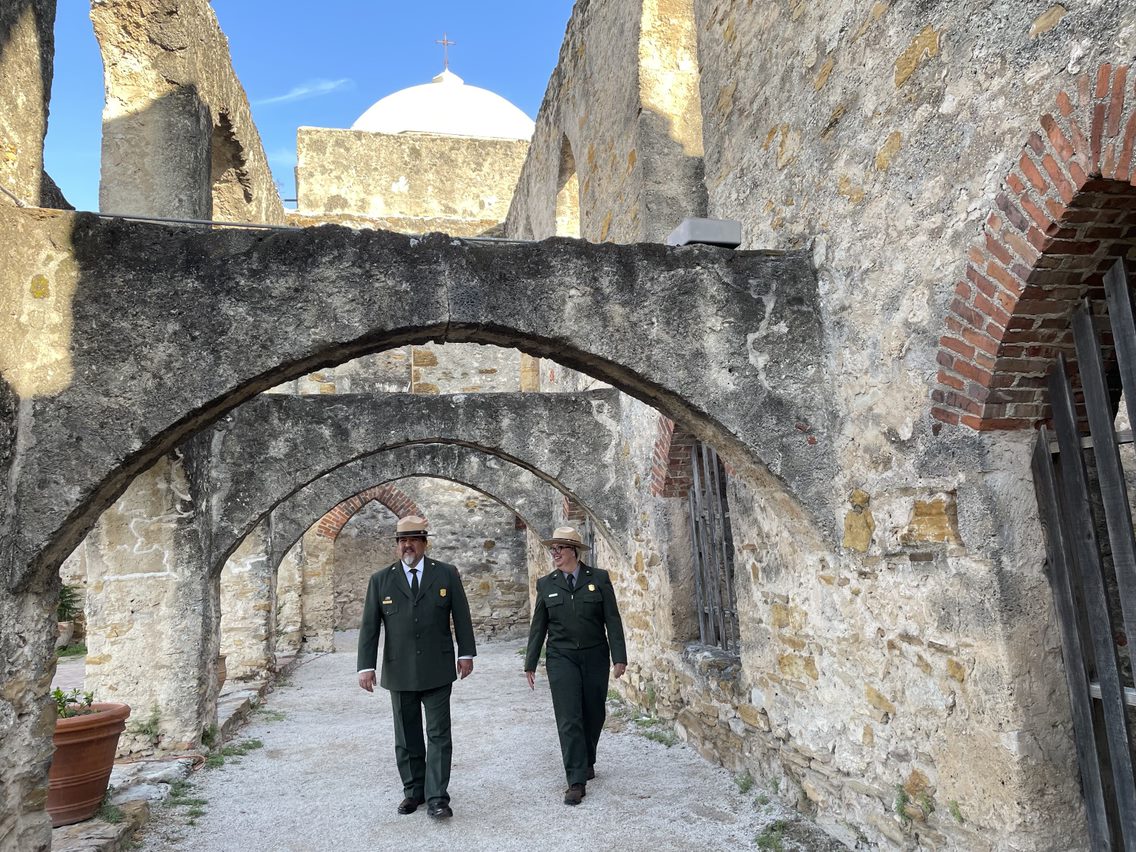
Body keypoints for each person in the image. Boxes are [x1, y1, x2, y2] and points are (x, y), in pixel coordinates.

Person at [357, 515, 476, 819]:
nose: (407, 545)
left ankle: (438, 798)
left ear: (424, 542)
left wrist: (466, 654)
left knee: (438, 735)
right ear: (397, 545)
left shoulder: (446, 574)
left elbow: (461, 616)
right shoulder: (381, 579)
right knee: (407, 736)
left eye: (412, 539)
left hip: (437, 667)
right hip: (398, 671)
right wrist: (365, 667)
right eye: (401, 540)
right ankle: (414, 792)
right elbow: (370, 627)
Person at [524, 526, 627, 806]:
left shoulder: (600, 579)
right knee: (569, 717)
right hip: (561, 658)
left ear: (574, 551)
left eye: (560, 547)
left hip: (595, 655)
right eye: (552, 548)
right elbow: (539, 626)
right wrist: (530, 662)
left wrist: (619, 657)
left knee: (594, 713)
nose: (554, 552)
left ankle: (587, 759)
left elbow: (612, 620)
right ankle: (575, 780)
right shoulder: (546, 584)